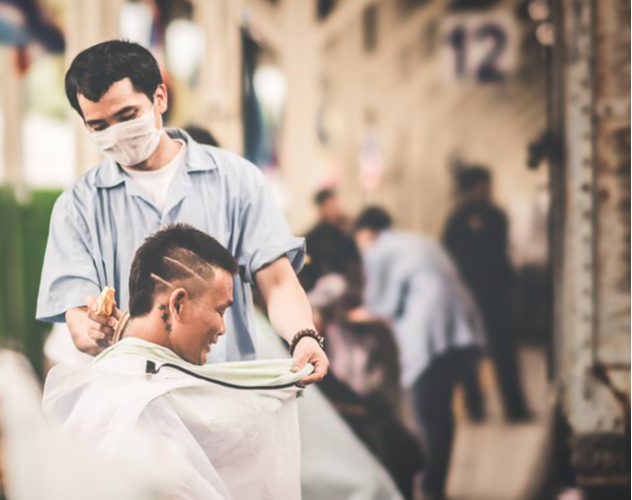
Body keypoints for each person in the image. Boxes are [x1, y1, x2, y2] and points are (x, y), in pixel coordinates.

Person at [36, 40, 327, 384]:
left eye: (127, 116)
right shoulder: (77, 208)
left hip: (225, 394)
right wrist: (95, 329)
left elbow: (277, 282)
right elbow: (78, 321)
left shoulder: (236, 180)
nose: (116, 134)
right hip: (134, 405)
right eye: (99, 127)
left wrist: (302, 336)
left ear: (160, 97)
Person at [42, 225, 311, 499]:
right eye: (219, 310)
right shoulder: (146, 403)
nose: (222, 328)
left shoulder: (112, 384)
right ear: (177, 304)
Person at [354, 206, 485, 500]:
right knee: (442, 412)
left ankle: (427, 487)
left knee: (425, 411)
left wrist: (349, 315)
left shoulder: (379, 250)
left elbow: (380, 306)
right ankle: (434, 484)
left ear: (366, 233)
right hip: (459, 328)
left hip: (428, 334)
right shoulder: (419, 240)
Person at [443, 166, 531, 421]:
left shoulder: (495, 216)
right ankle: (475, 408)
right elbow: (451, 259)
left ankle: (514, 408)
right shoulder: (459, 219)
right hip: (471, 297)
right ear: (472, 188)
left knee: (504, 352)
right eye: (483, 185)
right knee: (472, 356)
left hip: (496, 295)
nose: (488, 190)